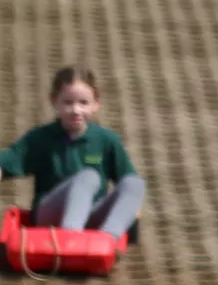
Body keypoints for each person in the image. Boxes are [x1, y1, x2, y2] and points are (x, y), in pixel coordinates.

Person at [0, 64, 146, 239]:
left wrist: (130, 210)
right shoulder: (41, 138)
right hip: (50, 216)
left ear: (95, 103)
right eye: (68, 102)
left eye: (83, 103)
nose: (76, 110)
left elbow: (126, 181)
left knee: (135, 183)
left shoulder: (106, 140)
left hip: (92, 216)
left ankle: (107, 239)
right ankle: (70, 239)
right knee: (88, 177)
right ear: (54, 101)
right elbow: (7, 163)